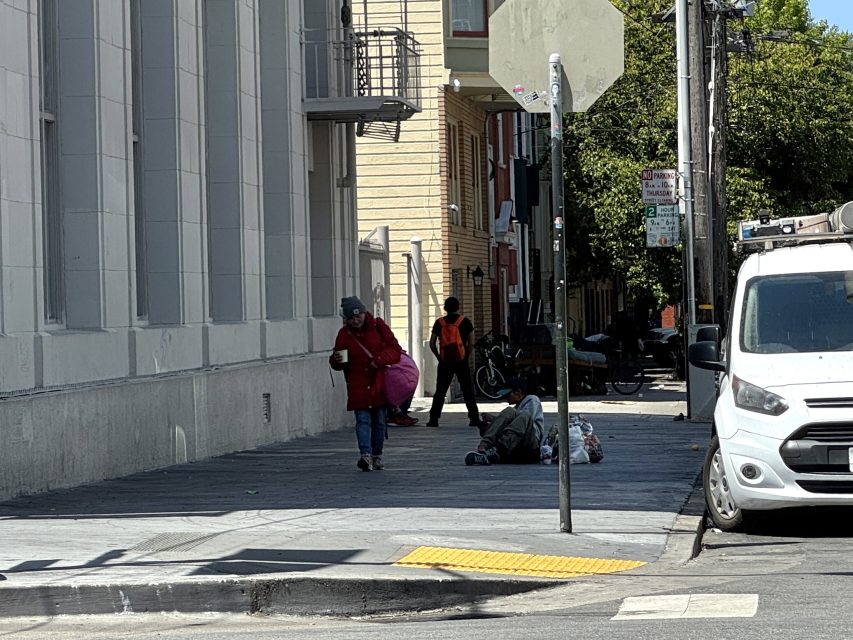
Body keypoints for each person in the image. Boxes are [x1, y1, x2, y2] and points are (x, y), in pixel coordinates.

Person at [329, 296, 402, 472]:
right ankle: (365, 455)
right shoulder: (344, 334)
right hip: (358, 384)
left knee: (378, 421)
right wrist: (336, 360)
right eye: (352, 318)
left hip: (378, 383)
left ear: (364, 312)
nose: (356, 320)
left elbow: (395, 350)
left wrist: (378, 360)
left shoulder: (378, 327)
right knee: (362, 420)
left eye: (358, 316)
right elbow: (339, 362)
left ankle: (377, 455)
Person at [426, 296, 480, 428]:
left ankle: (434, 419)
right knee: (467, 389)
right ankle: (474, 418)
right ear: (458, 307)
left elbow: (432, 343)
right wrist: (466, 355)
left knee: (440, 391)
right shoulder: (465, 322)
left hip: (445, 362)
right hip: (461, 361)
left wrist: (439, 357)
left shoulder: (439, 323)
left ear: (445, 308)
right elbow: (471, 342)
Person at [464, 376, 543, 465]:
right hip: (512, 448)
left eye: (507, 395)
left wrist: (495, 419)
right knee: (509, 411)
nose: (506, 398)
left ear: (518, 392)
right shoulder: (515, 409)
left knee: (521, 415)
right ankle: (484, 449)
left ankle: (497, 451)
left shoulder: (532, 399)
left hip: (530, 447)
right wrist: (489, 426)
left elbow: (525, 422)